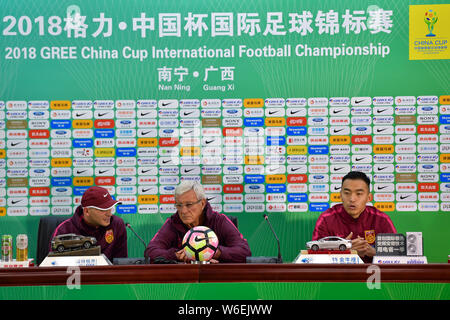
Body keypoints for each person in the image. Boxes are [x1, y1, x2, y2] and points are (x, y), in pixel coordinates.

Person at [145, 181, 251, 263]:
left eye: (189, 204)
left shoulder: (219, 221)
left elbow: (244, 251)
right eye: (179, 205)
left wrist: (213, 252)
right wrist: (176, 255)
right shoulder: (173, 223)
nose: (183, 211)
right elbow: (150, 252)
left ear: (203, 203)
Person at [311, 171, 397, 263]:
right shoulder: (326, 219)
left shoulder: (381, 219)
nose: (352, 199)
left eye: (359, 194)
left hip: (374, 274)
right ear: (340, 195)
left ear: (368, 197)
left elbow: (398, 255)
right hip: (338, 275)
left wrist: (374, 252)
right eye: (347, 193)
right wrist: (344, 250)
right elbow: (315, 257)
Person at [51, 186, 128, 261]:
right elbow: (55, 266)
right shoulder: (64, 230)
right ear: (87, 211)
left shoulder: (117, 224)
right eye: (103, 210)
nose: (109, 214)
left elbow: (121, 263)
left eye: (110, 208)